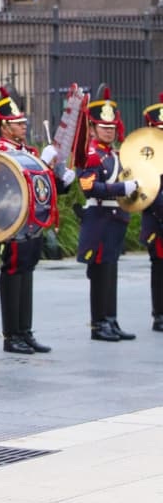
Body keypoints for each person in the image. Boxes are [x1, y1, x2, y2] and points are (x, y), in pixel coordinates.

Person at [0, 86, 73, 354]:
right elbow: (4, 183)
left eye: (23, 121)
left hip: (32, 222)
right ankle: (11, 335)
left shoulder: (29, 151)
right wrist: (40, 163)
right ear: (4, 127)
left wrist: (61, 179)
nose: (23, 125)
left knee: (27, 272)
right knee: (13, 273)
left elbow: (41, 188)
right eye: (17, 122)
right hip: (11, 221)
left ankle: (25, 331)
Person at [78, 87, 136, 342]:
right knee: (100, 273)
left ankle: (111, 320)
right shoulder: (91, 155)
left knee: (110, 272)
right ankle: (98, 324)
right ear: (92, 128)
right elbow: (89, 187)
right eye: (103, 127)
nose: (109, 131)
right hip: (99, 219)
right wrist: (122, 188)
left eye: (112, 127)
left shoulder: (114, 154)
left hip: (115, 220)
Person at [139, 93, 163, 332]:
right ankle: (160, 314)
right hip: (157, 220)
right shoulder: (144, 157)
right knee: (160, 268)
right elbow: (147, 191)